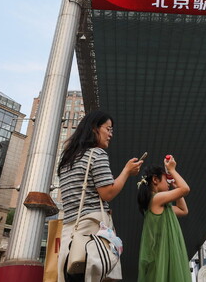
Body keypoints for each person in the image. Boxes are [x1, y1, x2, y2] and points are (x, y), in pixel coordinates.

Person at [57, 111, 143, 282]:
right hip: (92, 232)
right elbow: (108, 193)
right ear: (94, 128)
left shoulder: (67, 160)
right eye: (108, 129)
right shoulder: (96, 154)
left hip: (70, 235)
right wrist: (126, 171)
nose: (111, 134)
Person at [136, 155, 191, 282]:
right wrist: (172, 170)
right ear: (155, 180)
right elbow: (186, 189)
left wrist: (175, 186)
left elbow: (183, 210)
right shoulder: (155, 199)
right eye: (166, 180)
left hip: (162, 256)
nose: (168, 183)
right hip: (162, 257)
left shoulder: (160, 205)